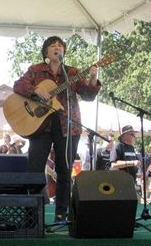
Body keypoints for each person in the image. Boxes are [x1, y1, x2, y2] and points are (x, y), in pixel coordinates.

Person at [13, 36, 101, 222]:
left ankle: (62, 214)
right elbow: (18, 85)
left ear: (64, 52)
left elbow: (87, 95)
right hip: (39, 127)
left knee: (64, 170)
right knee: (35, 169)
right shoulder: (36, 70)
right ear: (46, 51)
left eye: (60, 46)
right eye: (53, 45)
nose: (57, 48)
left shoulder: (71, 72)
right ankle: (31, 215)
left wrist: (93, 78)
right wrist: (36, 91)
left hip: (67, 127)